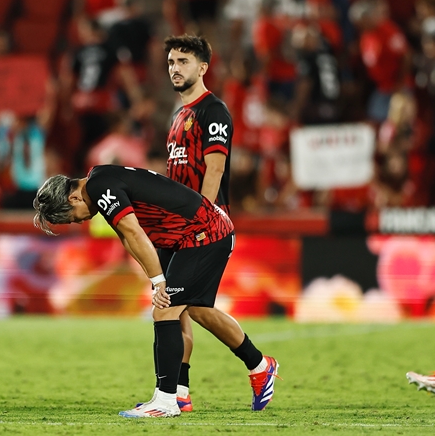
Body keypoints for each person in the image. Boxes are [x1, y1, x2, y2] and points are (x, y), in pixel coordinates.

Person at [33, 165, 279, 417]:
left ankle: (166, 400)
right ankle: (254, 367)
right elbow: (127, 238)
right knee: (195, 311)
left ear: (73, 197)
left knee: (165, 311)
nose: (80, 220)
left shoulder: (99, 187)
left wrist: (159, 280)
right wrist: (155, 277)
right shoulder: (100, 182)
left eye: (73, 216)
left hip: (203, 233)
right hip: (185, 237)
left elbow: (134, 232)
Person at [163, 34, 235, 411]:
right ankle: (180, 392)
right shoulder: (177, 117)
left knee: (176, 306)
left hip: (202, 226)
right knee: (184, 310)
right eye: (172, 61)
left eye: (184, 61)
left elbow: (216, 166)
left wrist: (201, 218)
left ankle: (176, 393)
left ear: (203, 67)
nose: (175, 68)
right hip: (178, 226)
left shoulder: (213, 111)